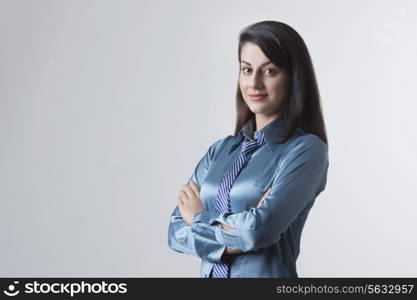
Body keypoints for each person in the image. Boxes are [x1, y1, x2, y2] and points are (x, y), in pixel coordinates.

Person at [167, 20, 329, 278]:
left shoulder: (305, 151)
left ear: (293, 77)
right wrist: (241, 229)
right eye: (246, 69)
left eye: (269, 71)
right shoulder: (219, 151)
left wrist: (198, 218)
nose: (254, 83)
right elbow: (175, 231)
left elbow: (259, 231)